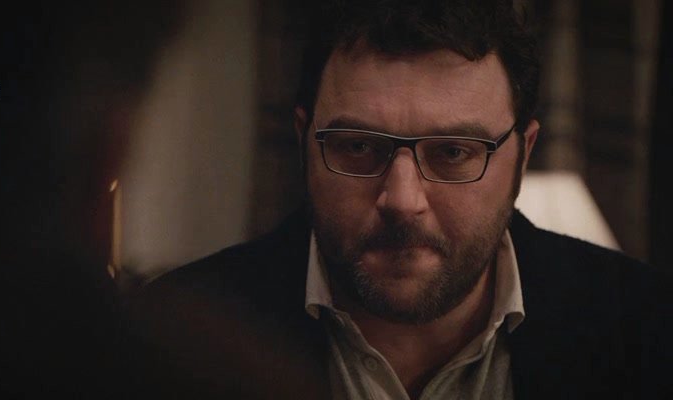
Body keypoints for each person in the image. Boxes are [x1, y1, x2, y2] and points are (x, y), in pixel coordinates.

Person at [125, 1, 673, 399]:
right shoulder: (169, 338)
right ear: (302, 141)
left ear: (523, 154)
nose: (402, 200)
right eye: (358, 147)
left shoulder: (646, 331)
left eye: (454, 152)